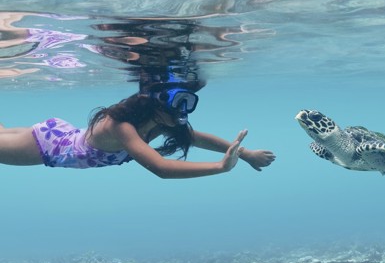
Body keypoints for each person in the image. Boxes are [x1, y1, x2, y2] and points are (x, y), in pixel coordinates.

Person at [0, 80, 275, 178]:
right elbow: (161, 168)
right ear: (156, 107)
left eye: (184, 110)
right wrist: (219, 167)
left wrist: (246, 153)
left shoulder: (158, 120)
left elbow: (195, 137)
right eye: (174, 110)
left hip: (58, 132)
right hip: (47, 147)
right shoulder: (123, 127)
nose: (181, 116)